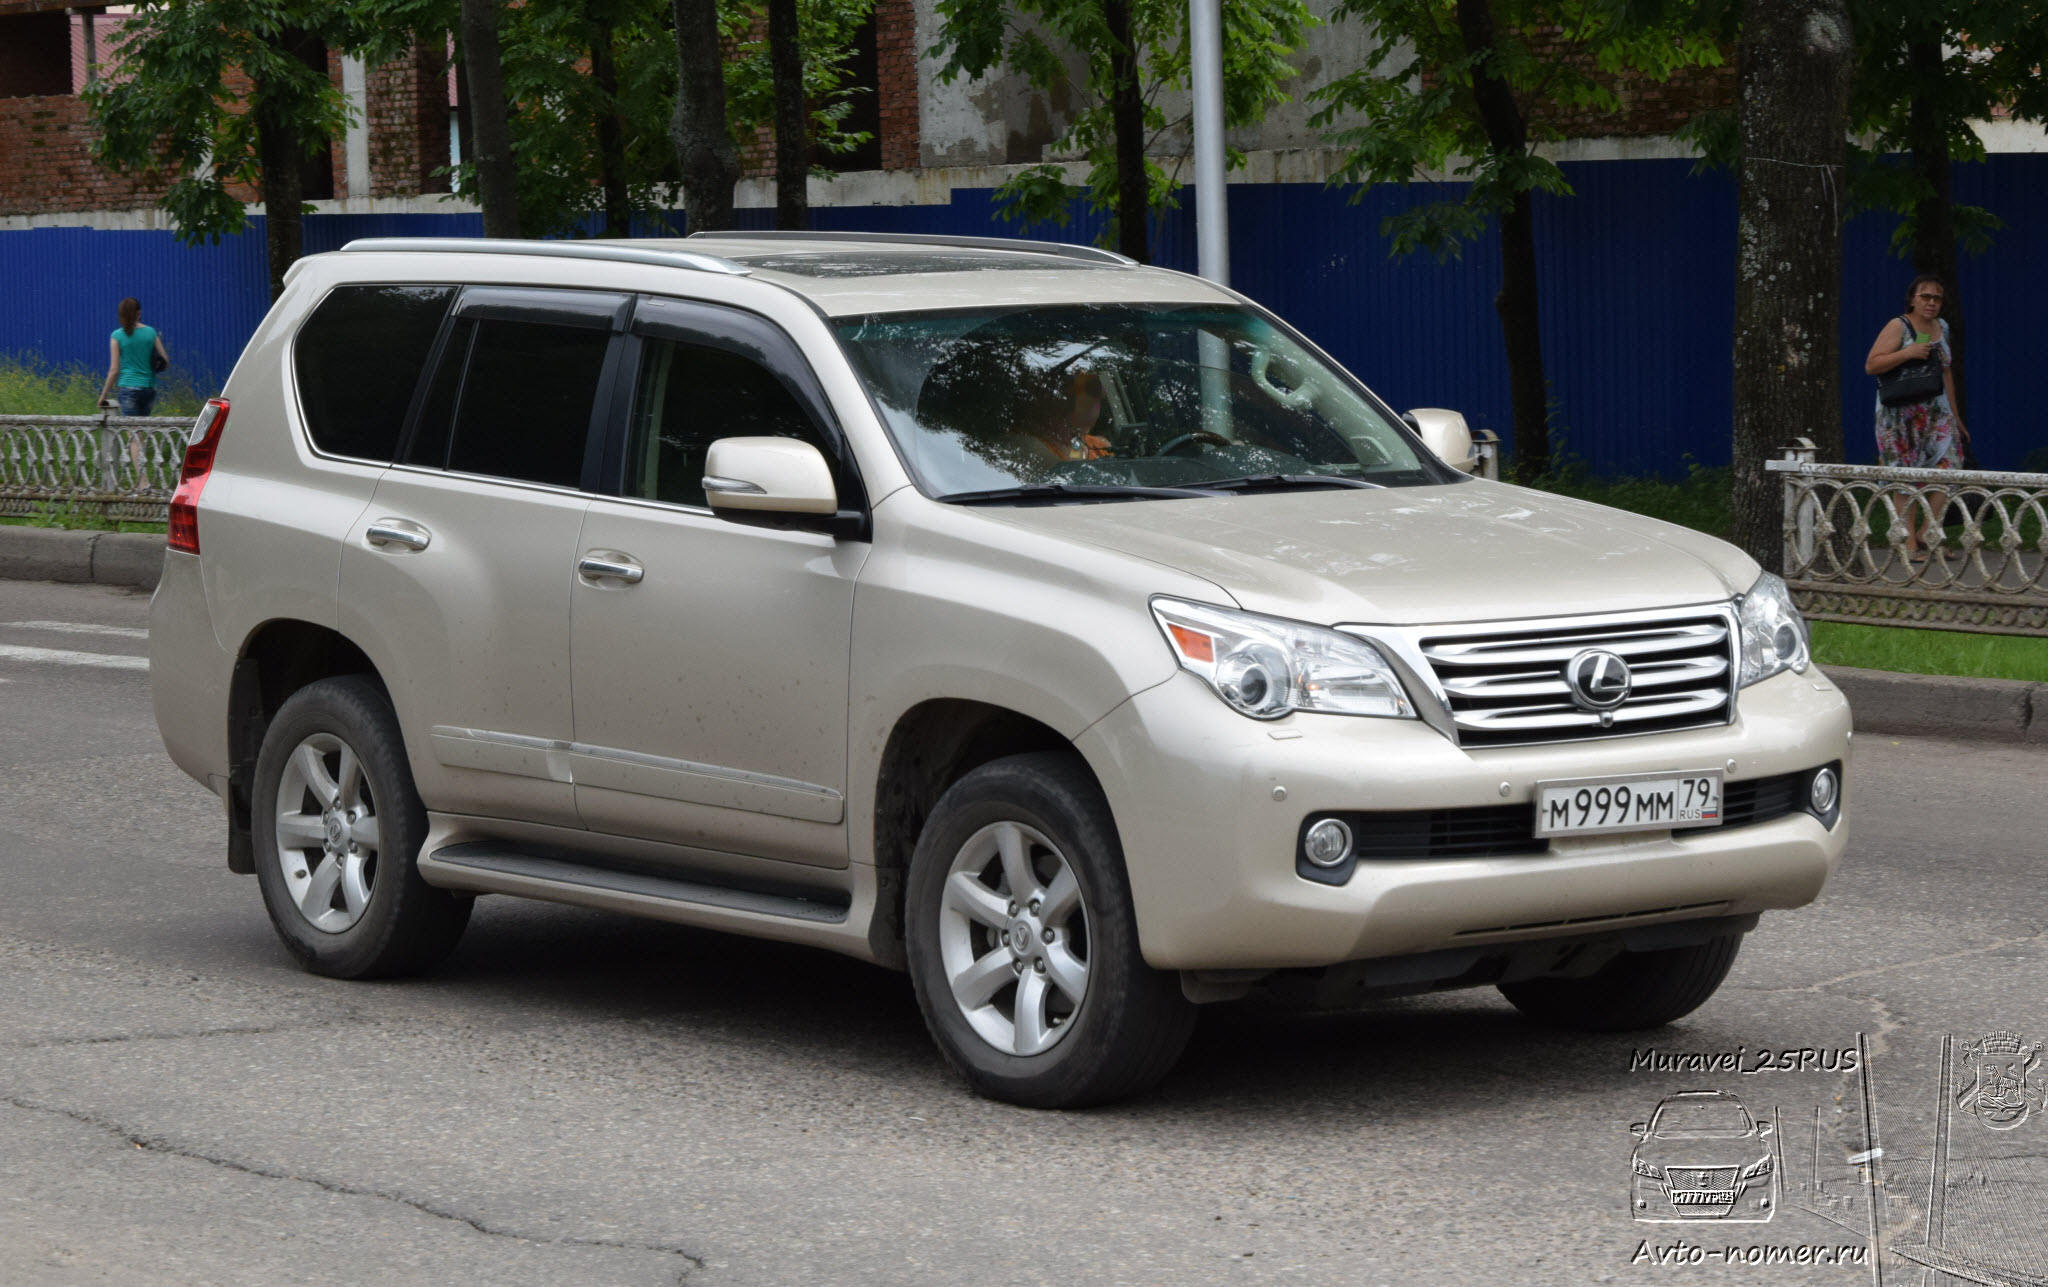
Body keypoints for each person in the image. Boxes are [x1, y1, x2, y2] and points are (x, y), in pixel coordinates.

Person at [1863, 274, 1968, 561]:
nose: (1932, 303)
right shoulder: (1899, 325)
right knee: (1903, 475)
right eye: (1925, 296)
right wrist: (1907, 352)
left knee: (1951, 468)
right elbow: (1872, 364)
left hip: (1936, 415)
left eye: (1937, 298)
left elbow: (1946, 372)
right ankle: (1908, 543)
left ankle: (1928, 532)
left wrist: (1955, 416)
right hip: (1898, 415)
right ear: (1912, 299)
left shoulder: (1941, 327)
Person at [97, 297, 169, 416]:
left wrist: (103, 396)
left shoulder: (117, 336)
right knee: (142, 426)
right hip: (149, 387)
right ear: (139, 312)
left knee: (133, 430)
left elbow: (114, 370)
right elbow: (165, 361)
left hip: (128, 387)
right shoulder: (151, 332)